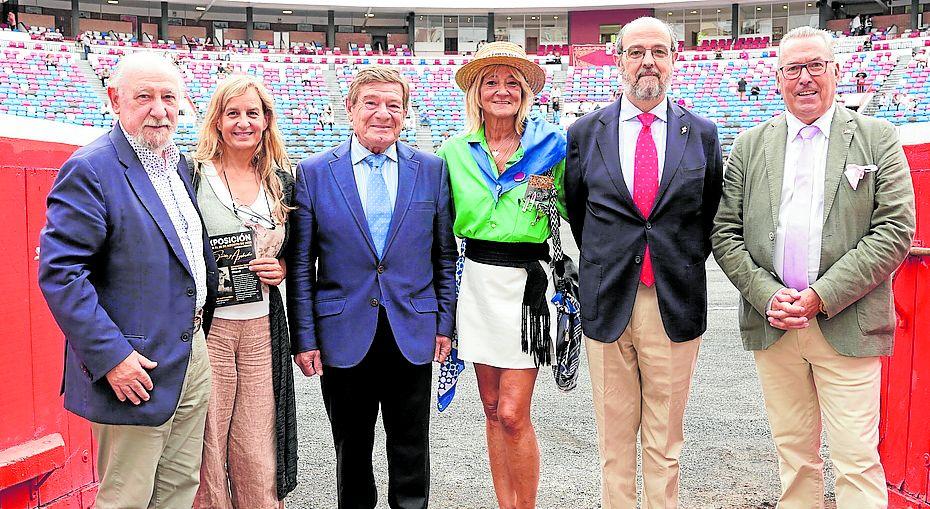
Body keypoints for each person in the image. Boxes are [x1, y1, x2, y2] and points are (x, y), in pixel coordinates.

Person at [711, 26, 915, 509]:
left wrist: (822, 295)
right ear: (778, 78)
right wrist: (766, 295)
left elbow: (894, 231)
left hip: (846, 321)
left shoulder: (877, 138)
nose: (804, 78)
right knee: (794, 458)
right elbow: (724, 232)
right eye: (792, 69)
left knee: (857, 460)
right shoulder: (749, 145)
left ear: (836, 71)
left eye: (815, 66)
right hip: (775, 324)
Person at [38, 51, 218, 509]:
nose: (159, 109)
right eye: (144, 97)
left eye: (169, 97)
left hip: (189, 353)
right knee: (126, 497)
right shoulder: (92, 168)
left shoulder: (176, 163)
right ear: (116, 100)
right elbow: (62, 273)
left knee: (179, 487)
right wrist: (112, 358)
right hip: (132, 365)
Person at [564, 17, 723, 509]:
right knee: (613, 445)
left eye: (658, 51)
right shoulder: (585, 133)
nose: (647, 61)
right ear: (619, 60)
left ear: (675, 59)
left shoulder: (702, 133)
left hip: (673, 301)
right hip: (608, 300)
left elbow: (709, 212)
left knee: (665, 443)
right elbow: (578, 211)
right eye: (636, 52)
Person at [287, 65, 457, 509]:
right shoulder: (314, 173)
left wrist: (444, 324)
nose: (383, 113)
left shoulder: (432, 170)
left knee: (411, 450)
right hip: (343, 333)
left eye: (393, 105)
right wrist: (304, 336)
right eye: (371, 103)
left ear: (406, 114)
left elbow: (443, 255)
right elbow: (303, 264)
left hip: (411, 331)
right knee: (351, 451)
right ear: (349, 109)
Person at [438, 41, 566, 509]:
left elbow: (582, 206)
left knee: (513, 413)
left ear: (527, 92)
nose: (502, 90)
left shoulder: (552, 145)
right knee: (491, 410)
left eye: (513, 82)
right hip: (475, 283)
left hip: (528, 287)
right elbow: (435, 222)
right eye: (491, 81)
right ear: (476, 92)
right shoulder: (453, 152)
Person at [190, 75, 298, 508]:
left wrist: (282, 268)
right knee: (206, 445)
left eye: (252, 113)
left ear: (266, 120)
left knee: (258, 448)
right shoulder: (191, 175)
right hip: (208, 328)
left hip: (261, 327)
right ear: (216, 121)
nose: (242, 122)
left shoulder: (282, 180)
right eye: (232, 113)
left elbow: (295, 251)